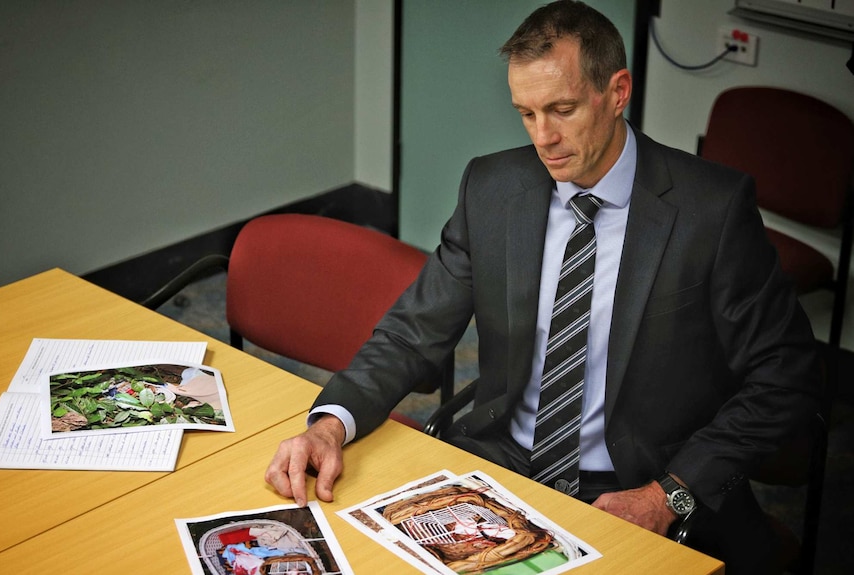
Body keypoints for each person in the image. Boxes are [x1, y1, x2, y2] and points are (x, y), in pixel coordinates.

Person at [265, 2, 821, 573]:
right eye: (526, 114)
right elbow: (413, 333)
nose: (544, 138)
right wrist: (329, 425)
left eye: (562, 109)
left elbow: (787, 376)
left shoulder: (711, 210)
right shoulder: (492, 188)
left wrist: (668, 494)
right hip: (500, 467)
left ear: (618, 90)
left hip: (638, 487)